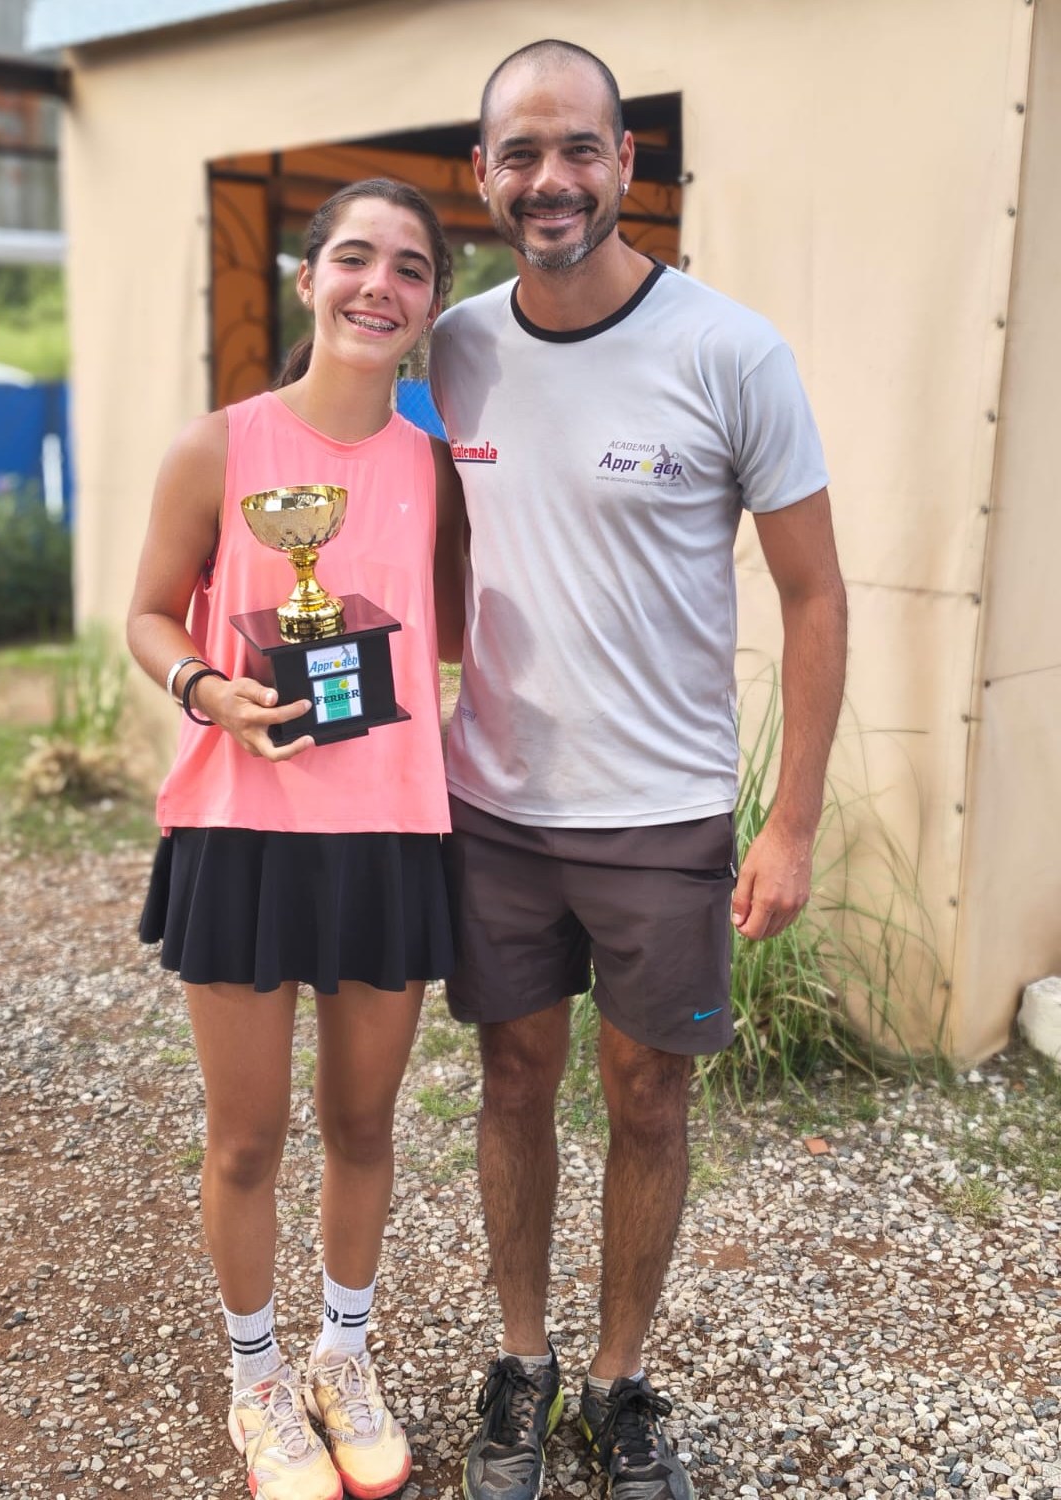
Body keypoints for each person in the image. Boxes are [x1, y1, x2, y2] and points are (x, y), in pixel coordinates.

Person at [428, 40, 848, 1500]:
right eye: (520, 153)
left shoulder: (731, 351)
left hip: (663, 813)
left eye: (578, 149)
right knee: (511, 1079)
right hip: (494, 804)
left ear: (626, 162)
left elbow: (816, 594)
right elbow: (425, 540)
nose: (550, 179)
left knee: (649, 1096)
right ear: (483, 174)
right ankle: (522, 1362)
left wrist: (790, 822)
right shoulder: (453, 347)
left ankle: (619, 1381)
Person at [127, 178, 465, 1500]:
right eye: (355, 258)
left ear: (432, 304)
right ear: (308, 276)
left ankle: (343, 1356)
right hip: (243, 828)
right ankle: (257, 1378)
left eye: (411, 268)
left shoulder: (439, 467)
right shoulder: (219, 448)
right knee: (247, 1138)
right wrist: (208, 689)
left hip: (390, 831)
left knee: (364, 1123)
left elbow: (454, 627)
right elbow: (150, 614)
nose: (380, 286)